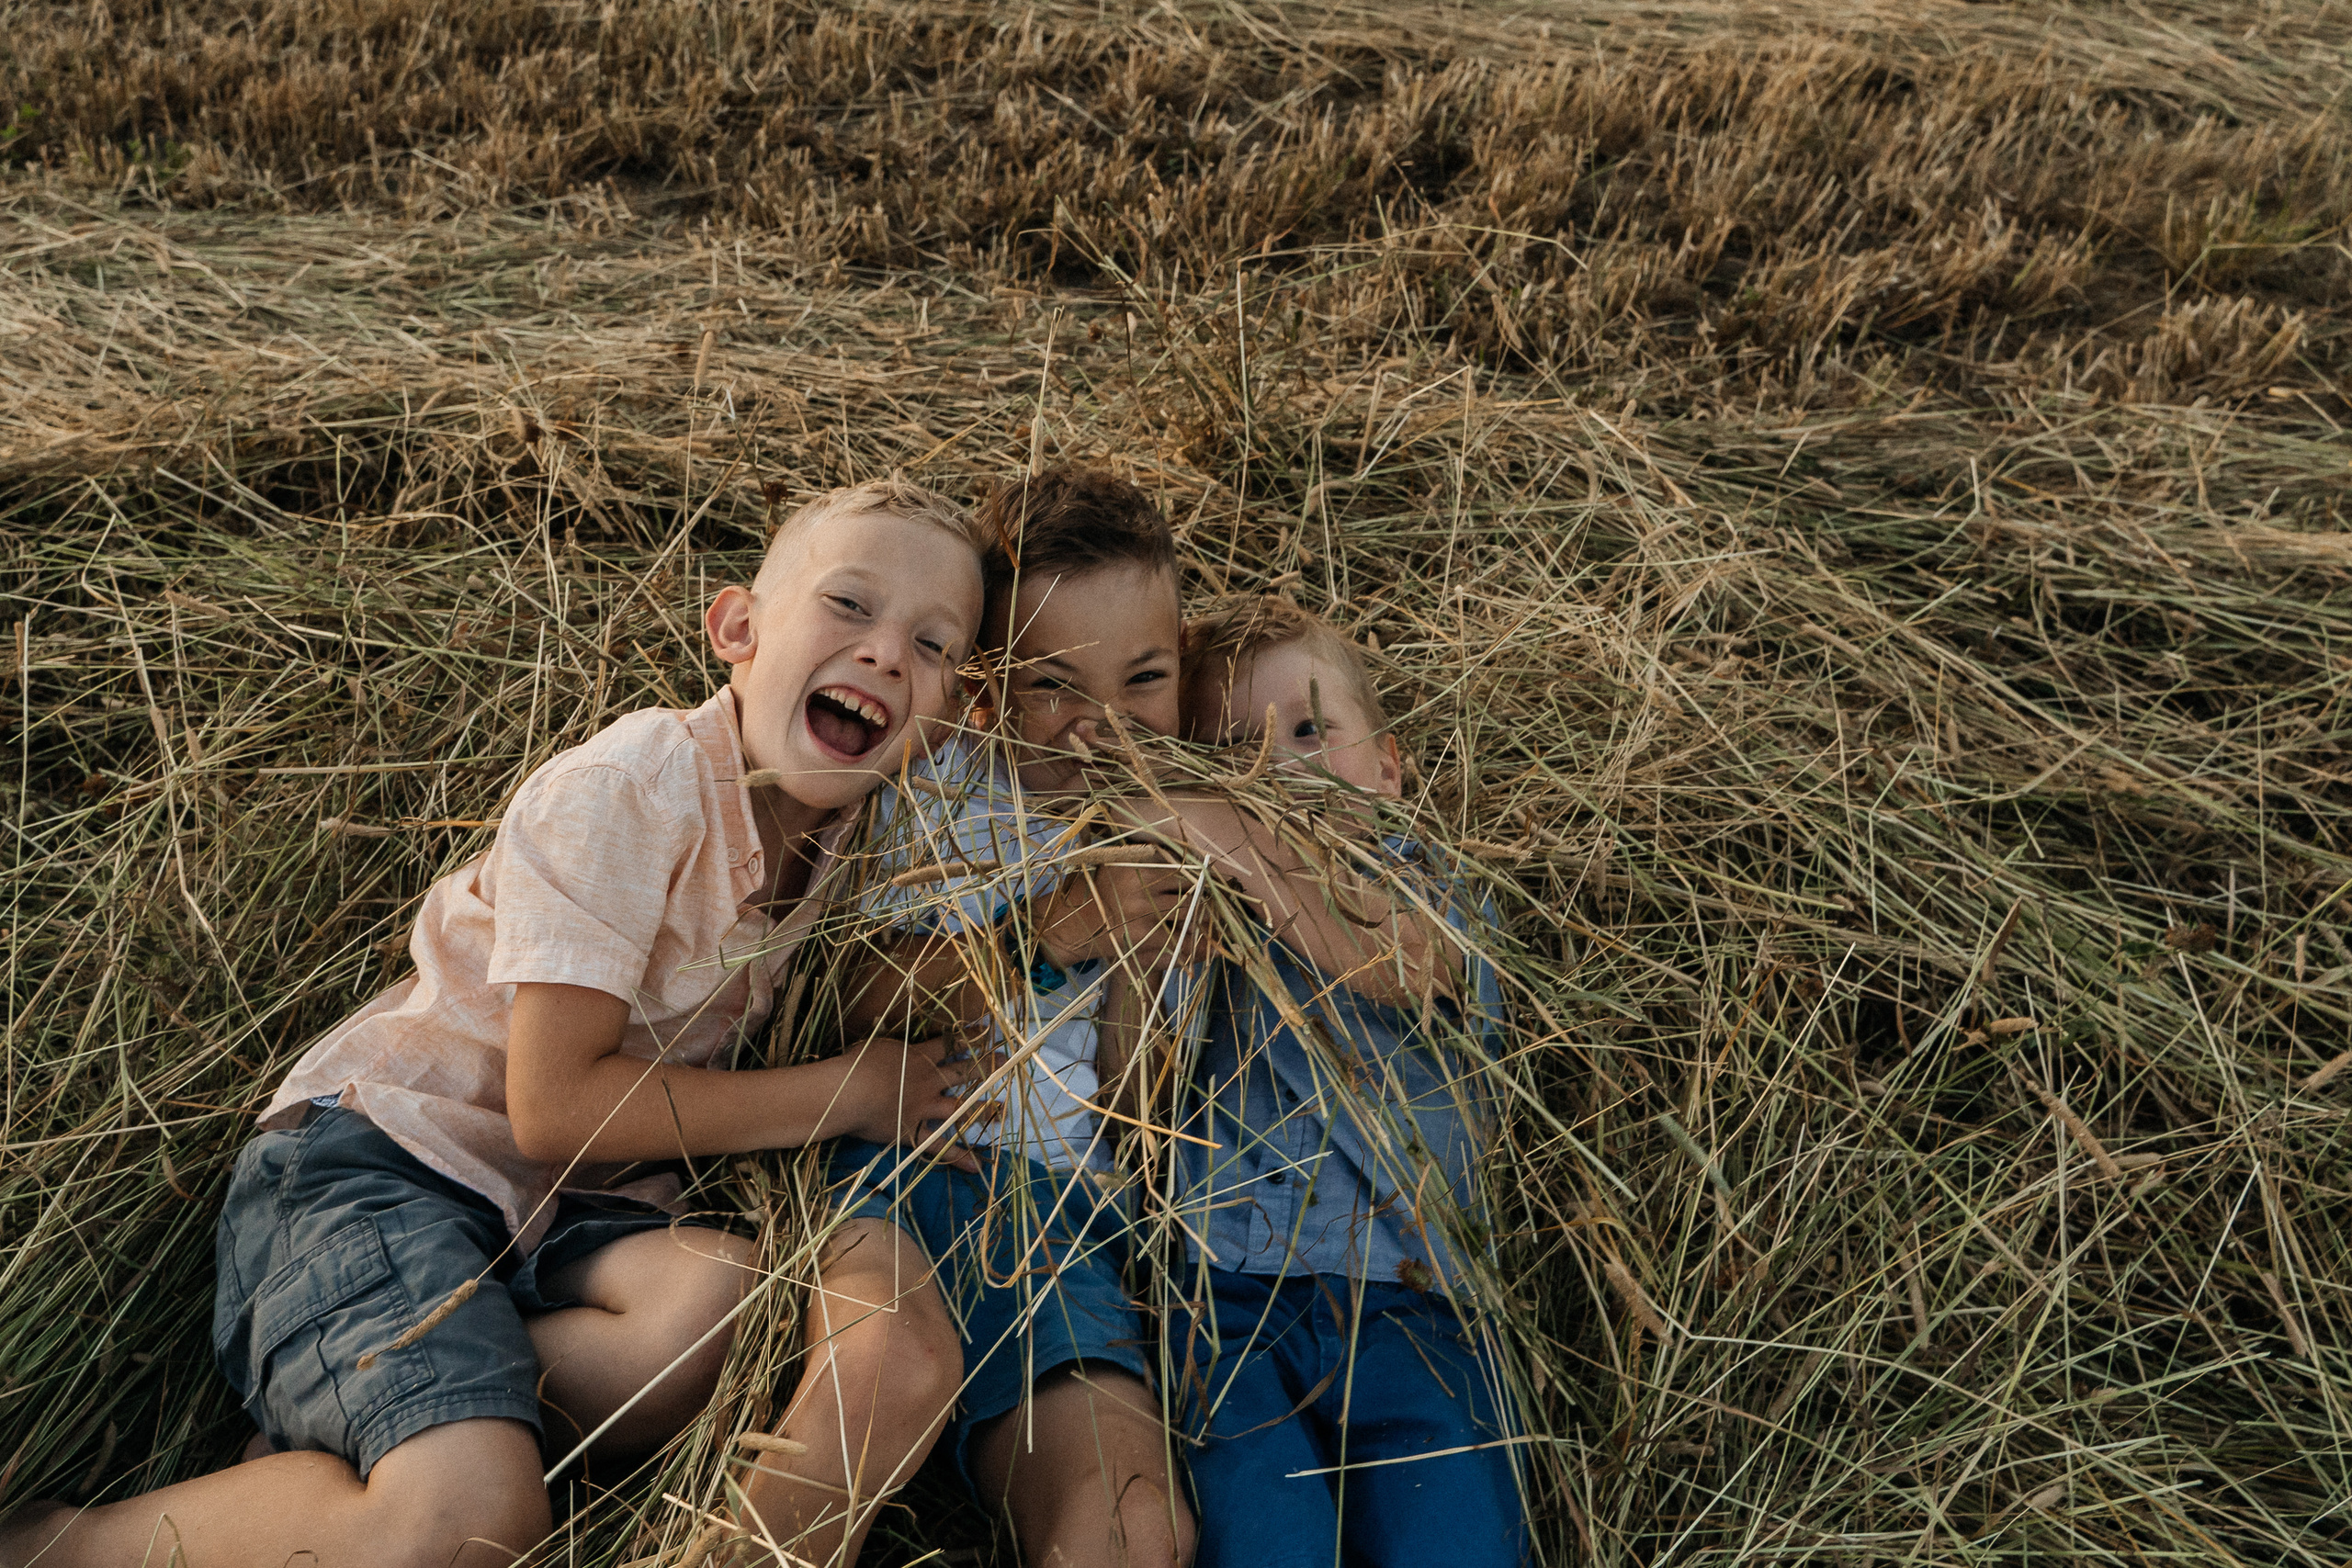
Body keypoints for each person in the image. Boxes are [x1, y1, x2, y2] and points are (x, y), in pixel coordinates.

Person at [0, 479, 996, 1568]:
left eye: (934, 645)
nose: (888, 655)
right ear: (738, 629)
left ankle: (373, 1436)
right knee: (478, 1526)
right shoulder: (637, 787)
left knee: (724, 1306)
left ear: (951, 713)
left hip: (544, 1220)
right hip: (379, 1168)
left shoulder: (850, 837)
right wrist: (850, 1090)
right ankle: (61, 1543)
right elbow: (554, 1105)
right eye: (849, 607)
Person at [814, 465, 1200, 1568]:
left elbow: (1139, 1111)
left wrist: (1138, 959)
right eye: (1053, 686)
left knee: (1137, 1526)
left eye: (1145, 679)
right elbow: (860, 997)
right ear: (986, 687)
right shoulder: (942, 790)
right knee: (876, 1374)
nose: (1103, 725)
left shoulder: (1177, 839)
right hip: (905, 1169)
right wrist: (1048, 929)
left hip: (1062, 1220)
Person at [1159, 593, 1528, 1568]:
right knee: (1263, 1544)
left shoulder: (1432, 892)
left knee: (1454, 1543)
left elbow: (1394, 966)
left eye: (1313, 731)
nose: (1284, 772)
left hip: (1412, 1305)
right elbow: (1130, 1086)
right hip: (1226, 1293)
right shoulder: (1202, 900)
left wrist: (1229, 837)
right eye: (1237, 754)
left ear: (1390, 767)